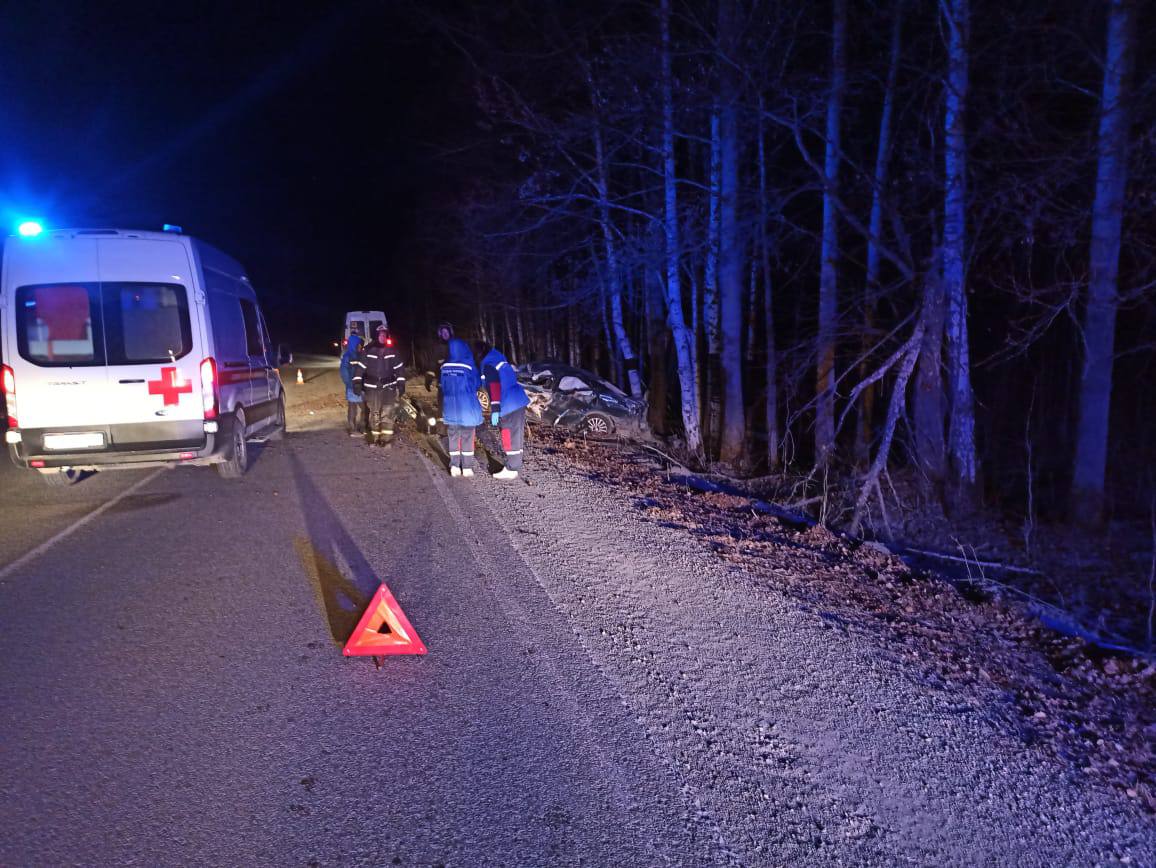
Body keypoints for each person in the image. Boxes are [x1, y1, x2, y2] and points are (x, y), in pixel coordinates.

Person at [478, 343, 528, 479]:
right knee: (516, 435)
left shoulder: (488, 364)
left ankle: (511, 469)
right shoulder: (498, 359)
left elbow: (494, 386)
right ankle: (515, 464)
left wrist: (495, 409)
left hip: (508, 404)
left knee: (508, 435)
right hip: (518, 400)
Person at [439, 329, 483, 477]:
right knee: (467, 436)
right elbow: (477, 383)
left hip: (450, 407)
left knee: (453, 436)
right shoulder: (469, 366)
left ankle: (454, 466)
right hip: (467, 408)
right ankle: (467, 467)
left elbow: (443, 386)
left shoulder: (444, 367)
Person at [358, 324, 406, 446]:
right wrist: (357, 383)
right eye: (381, 335)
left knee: (388, 413)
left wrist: (401, 384)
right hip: (372, 388)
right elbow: (360, 369)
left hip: (388, 388)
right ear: (376, 336)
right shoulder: (368, 350)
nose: (383, 337)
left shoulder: (393, 350)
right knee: (374, 413)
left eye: (385, 335)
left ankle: (385, 440)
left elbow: (399, 369)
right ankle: (375, 438)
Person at [340, 331, 365, 436]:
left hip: (360, 387)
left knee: (365, 408)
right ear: (355, 344)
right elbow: (344, 373)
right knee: (353, 408)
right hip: (352, 387)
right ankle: (352, 429)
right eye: (359, 345)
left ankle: (362, 427)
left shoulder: (361, 355)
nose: (361, 347)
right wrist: (350, 385)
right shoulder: (347, 356)